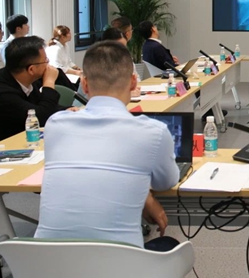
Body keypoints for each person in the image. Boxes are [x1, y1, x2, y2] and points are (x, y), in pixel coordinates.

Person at [35, 41, 180, 253]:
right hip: (121, 266)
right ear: (133, 82)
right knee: (170, 246)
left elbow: (88, 172)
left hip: (45, 264)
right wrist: (147, 197)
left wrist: (145, 198)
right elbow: (167, 182)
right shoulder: (153, 132)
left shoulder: (55, 125)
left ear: (84, 84)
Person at [0, 36, 68, 278]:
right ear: (32, 69)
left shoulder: (19, 82)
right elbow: (38, 116)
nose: (49, 66)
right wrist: (50, 83)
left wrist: (69, 110)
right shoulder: (0, 91)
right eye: (45, 62)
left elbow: (38, 109)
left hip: (13, 152)